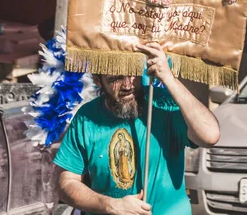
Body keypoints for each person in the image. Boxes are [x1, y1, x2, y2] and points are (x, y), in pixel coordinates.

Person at [54, 42, 221, 215]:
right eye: (116, 78)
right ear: (98, 81)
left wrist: (169, 78)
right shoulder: (86, 118)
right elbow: (66, 182)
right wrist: (109, 205)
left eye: (133, 74)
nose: (127, 85)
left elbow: (210, 135)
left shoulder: (165, 104)